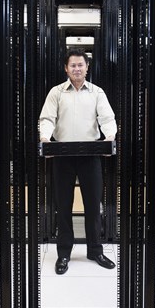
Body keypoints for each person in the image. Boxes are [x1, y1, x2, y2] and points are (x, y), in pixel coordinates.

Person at [39, 48, 117, 275]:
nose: (76, 69)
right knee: (63, 206)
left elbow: (108, 118)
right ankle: (64, 253)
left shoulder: (97, 92)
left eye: (80, 65)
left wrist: (109, 138)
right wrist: (45, 139)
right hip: (62, 156)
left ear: (87, 67)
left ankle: (95, 250)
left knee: (93, 205)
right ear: (66, 68)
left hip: (90, 156)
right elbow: (47, 118)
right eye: (72, 65)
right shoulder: (56, 93)